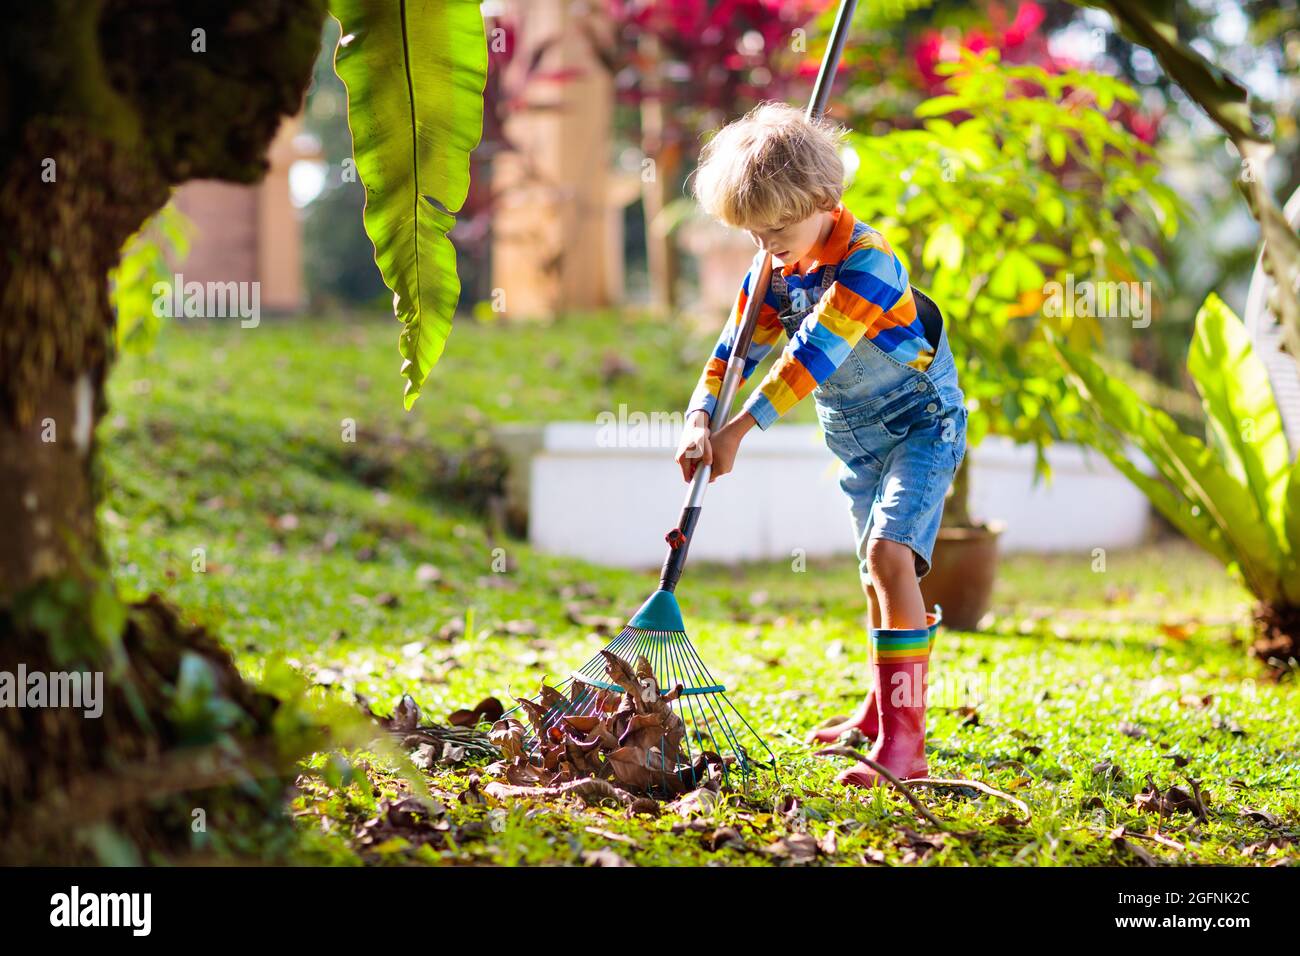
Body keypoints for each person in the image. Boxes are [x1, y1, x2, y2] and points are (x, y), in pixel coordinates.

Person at [675, 101, 967, 788]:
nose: (766, 243)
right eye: (754, 231)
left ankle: (906, 747)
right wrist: (698, 416)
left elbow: (812, 355)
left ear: (824, 199)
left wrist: (738, 432)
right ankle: (877, 711)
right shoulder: (774, 267)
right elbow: (735, 349)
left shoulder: (871, 262)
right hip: (854, 439)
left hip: (919, 426)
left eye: (777, 226)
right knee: (875, 575)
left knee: (890, 557)